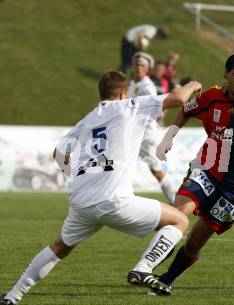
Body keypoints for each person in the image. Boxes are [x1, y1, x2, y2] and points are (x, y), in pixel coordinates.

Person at [0, 71, 203, 305]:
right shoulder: (130, 106)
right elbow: (179, 97)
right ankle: (143, 268)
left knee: (60, 247)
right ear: (123, 93)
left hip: (82, 201)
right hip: (114, 200)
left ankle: (13, 296)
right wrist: (194, 83)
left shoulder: (87, 119)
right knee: (179, 220)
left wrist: (75, 177)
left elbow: (59, 153)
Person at [138, 49, 234, 296]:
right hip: (206, 170)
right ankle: (144, 267)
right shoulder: (212, 96)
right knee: (178, 216)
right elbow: (186, 109)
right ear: (227, 74)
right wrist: (169, 135)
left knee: (195, 242)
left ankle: (165, 280)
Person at [130, 52, 175, 204]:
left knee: (156, 170)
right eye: (136, 64)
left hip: (145, 135)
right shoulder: (132, 84)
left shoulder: (147, 87)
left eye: (142, 65)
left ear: (147, 69)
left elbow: (154, 109)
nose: (138, 68)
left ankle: (174, 201)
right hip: (133, 134)